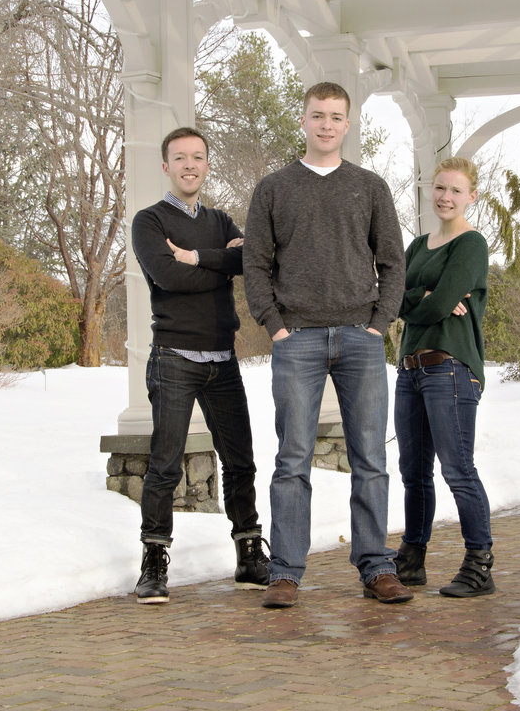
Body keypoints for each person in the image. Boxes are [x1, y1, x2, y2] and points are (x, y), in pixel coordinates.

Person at [243, 81, 410, 607]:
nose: (327, 125)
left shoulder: (370, 186)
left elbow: (393, 262)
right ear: (304, 119)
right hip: (298, 340)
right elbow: (254, 263)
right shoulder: (274, 188)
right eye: (318, 115)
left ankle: (376, 567)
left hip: (361, 338)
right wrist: (274, 325)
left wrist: (380, 324)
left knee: (371, 459)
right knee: (292, 459)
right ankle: (286, 573)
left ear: (348, 123)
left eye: (337, 117)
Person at [129, 127, 269, 604]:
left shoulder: (221, 220)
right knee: (165, 466)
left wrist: (195, 258)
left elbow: (251, 261)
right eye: (180, 158)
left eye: (198, 157)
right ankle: (153, 564)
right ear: (166, 165)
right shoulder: (148, 221)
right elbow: (166, 278)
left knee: (241, 462)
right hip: (173, 359)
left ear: (207, 164)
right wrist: (218, 265)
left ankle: (250, 555)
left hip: (223, 360)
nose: (190, 165)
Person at [392, 157, 495, 598]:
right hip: (410, 369)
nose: (445, 197)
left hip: (450, 368)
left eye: (455, 190)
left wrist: (431, 299)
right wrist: (423, 295)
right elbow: (390, 295)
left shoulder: (470, 244)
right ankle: (412, 560)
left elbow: (439, 306)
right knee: (413, 473)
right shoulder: (417, 246)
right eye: (439, 188)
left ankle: (479, 564)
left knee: (457, 469)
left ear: (472, 196)